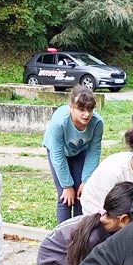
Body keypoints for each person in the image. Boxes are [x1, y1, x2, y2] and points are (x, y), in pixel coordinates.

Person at [44, 86, 103, 224]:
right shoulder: (60, 122)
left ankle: (79, 234)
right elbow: (57, 154)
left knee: (82, 195)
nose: (86, 114)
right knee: (65, 197)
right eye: (81, 110)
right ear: (71, 107)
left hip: (80, 151)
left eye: (90, 109)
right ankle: (62, 235)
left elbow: (94, 151)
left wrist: (86, 180)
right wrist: (66, 185)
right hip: (59, 152)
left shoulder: (97, 123)